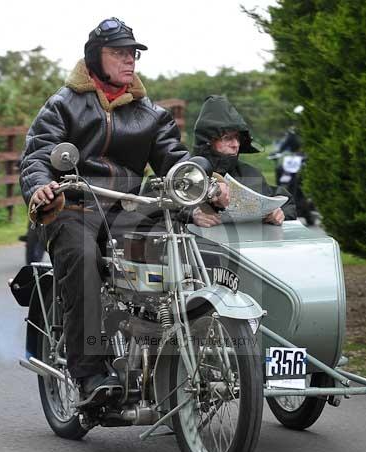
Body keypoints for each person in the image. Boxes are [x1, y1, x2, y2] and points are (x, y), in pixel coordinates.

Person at [19, 18, 227, 403]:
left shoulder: (151, 114)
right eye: (119, 53)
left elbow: (175, 162)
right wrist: (41, 186)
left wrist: (205, 188)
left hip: (130, 208)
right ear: (95, 58)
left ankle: (178, 359)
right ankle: (90, 374)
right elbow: (36, 156)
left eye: (132, 53)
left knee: (183, 252)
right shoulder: (63, 105)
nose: (129, 60)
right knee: (83, 260)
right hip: (74, 204)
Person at [189, 95, 296, 228]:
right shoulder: (185, 173)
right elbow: (159, 207)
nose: (236, 144)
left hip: (247, 246)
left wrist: (279, 212)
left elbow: (285, 201)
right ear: (209, 141)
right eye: (227, 138)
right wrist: (191, 215)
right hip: (197, 247)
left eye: (237, 138)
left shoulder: (250, 173)